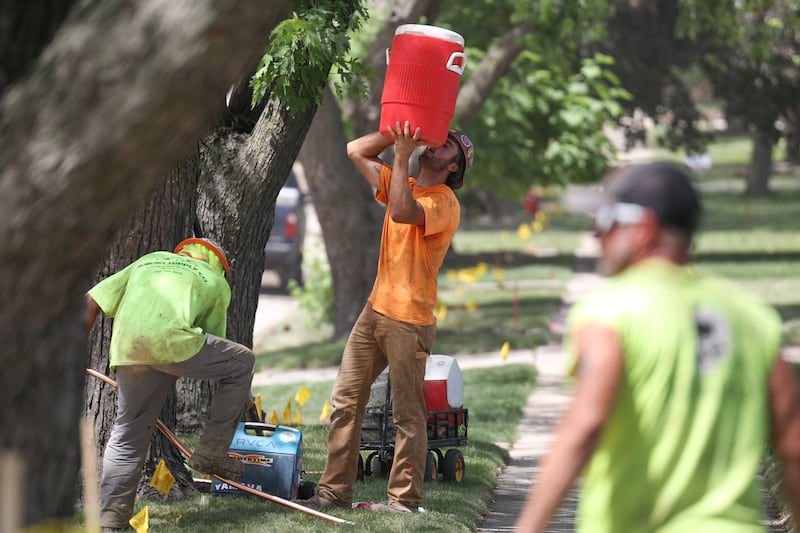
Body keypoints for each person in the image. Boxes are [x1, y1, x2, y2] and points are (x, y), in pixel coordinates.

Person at [515, 162, 800, 532]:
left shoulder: (610, 314)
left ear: (644, 227)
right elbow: (793, 444)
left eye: (605, 221)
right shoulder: (751, 318)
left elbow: (584, 425)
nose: (596, 235)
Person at [295, 122, 474, 513]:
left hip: (410, 319)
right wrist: (400, 130)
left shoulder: (444, 202)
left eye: (447, 146)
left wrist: (404, 153)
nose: (437, 143)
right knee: (346, 401)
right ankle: (334, 491)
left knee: (408, 416)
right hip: (375, 310)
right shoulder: (401, 181)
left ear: (454, 168)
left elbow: (403, 210)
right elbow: (355, 150)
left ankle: (403, 501)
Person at [85, 237, 255, 531]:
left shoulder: (147, 261)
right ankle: (212, 451)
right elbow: (211, 341)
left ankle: (110, 521)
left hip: (129, 348)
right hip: (175, 346)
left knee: (128, 432)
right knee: (242, 362)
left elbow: (92, 300)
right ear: (220, 265)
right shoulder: (215, 280)